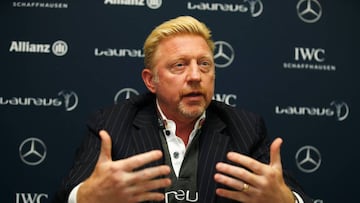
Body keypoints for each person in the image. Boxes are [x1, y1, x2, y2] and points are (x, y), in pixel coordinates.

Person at [54, 16, 312, 203]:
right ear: (150, 80)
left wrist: (287, 201)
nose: (195, 76)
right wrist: (86, 197)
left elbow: (290, 194)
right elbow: (65, 196)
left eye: (204, 64)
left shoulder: (245, 128)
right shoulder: (111, 124)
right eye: (179, 65)